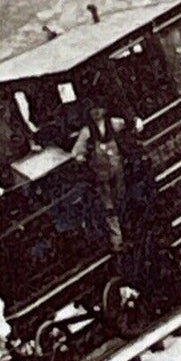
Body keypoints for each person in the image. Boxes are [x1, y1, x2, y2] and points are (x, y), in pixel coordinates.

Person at [72, 104, 129, 252]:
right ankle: (117, 240)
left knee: (122, 199)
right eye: (93, 109)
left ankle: (130, 230)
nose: (96, 112)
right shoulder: (87, 131)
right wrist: (81, 157)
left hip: (118, 170)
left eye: (99, 108)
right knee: (109, 207)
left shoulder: (114, 123)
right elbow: (76, 151)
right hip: (101, 175)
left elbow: (127, 125)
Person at [0, 78, 36, 191]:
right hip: (3, 156)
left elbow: (20, 125)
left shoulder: (9, 107)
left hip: (21, 153)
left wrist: (30, 138)